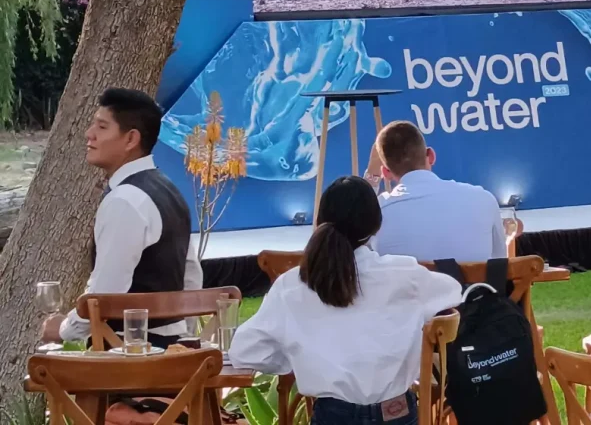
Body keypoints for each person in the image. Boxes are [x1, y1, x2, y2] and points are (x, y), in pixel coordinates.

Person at [230, 176, 462, 425]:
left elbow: (244, 351)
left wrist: (295, 357)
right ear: (377, 225)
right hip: (396, 413)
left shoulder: (292, 285)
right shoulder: (405, 274)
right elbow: (454, 292)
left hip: (332, 415)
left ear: (320, 221)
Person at [43, 88, 202, 346]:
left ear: (130, 139)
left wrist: (63, 329)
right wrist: (184, 339)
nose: (89, 134)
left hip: (129, 359)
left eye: (102, 127)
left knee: (42, 368)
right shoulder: (169, 191)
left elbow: (105, 293)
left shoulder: (125, 200)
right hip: (172, 352)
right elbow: (191, 275)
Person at [365, 120, 507, 262]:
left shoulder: (376, 212)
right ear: (431, 156)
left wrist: (372, 176)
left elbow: (353, 230)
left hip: (408, 284)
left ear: (386, 172)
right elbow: (501, 264)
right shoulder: (483, 200)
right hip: (474, 284)